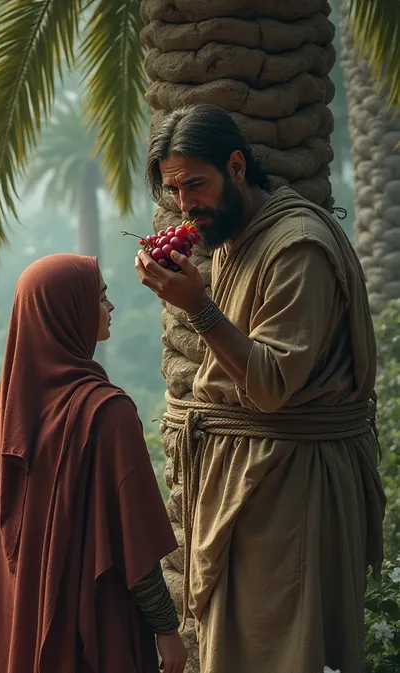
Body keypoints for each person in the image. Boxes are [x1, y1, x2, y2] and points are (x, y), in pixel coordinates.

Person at [135, 104, 386, 673]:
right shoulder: (235, 237)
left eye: (196, 184)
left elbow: (271, 385)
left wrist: (198, 307)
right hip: (249, 485)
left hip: (292, 491)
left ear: (237, 165)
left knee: (286, 650)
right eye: (175, 190)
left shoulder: (297, 247)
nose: (186, 204)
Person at [0, 254, 187, 673]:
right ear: (67, 311)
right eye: (100, 298)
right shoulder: (106, 414)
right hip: (96, 631)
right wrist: (167, 630)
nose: (111, 307)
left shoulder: (8, 421)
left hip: (20, 633)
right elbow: (136, 545)